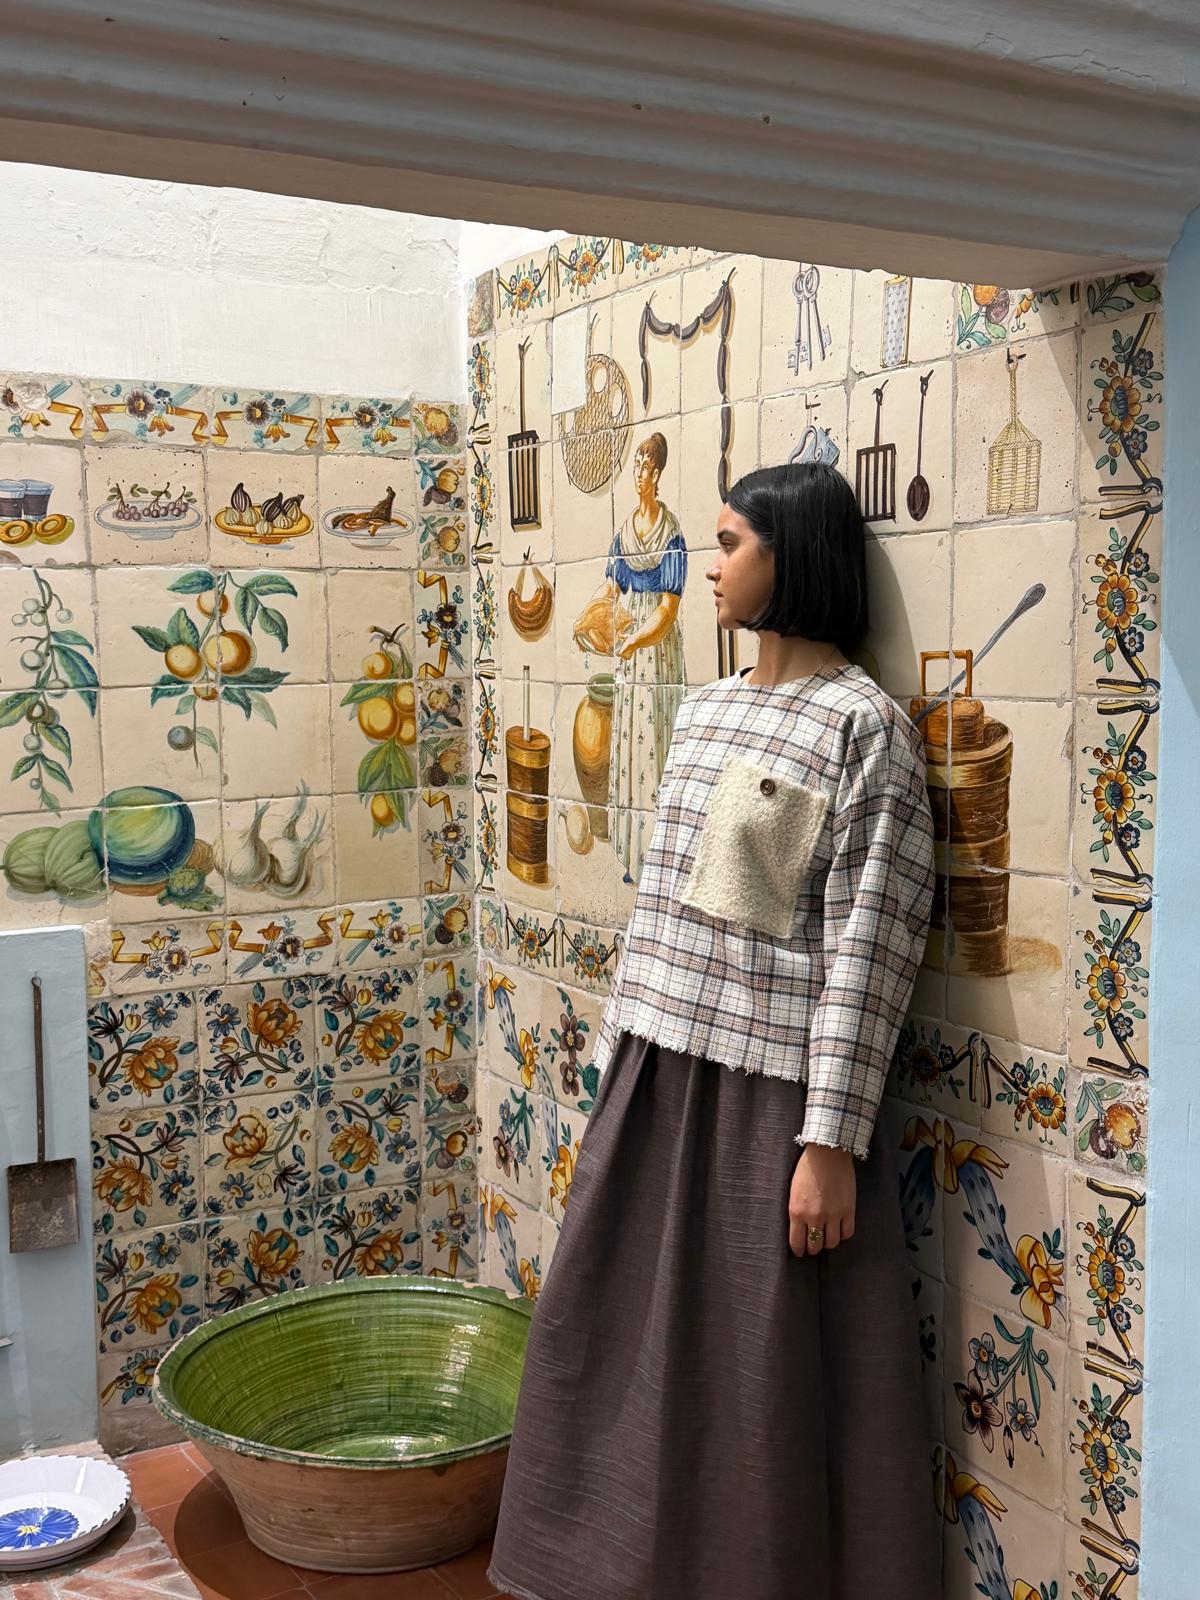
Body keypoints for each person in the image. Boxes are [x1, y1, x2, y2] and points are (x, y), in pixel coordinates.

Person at [488, 461, 940, 1600]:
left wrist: (829, 1141)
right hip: (658, 1075)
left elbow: (872, 948)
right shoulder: (705, 710)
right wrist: (613, 1073)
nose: (711, 566)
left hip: (769, 1102)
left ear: (795, 556)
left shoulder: (863, 728)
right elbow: (657, 907)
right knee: (609, 1348)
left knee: (758, 1384)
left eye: (731, 543)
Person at [573, 430, 688, 886]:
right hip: (629, 642)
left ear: (657, 474)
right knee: (629, 738)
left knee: (656, 741)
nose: (638, 473)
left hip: (656, 647)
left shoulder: (671, 532)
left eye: (644, 466)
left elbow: (667, 609)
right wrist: (588, 616)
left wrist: (637, 641)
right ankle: (633, 854)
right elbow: (611, 586)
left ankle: (659, 862)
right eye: (635, 465)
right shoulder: (625, 531)